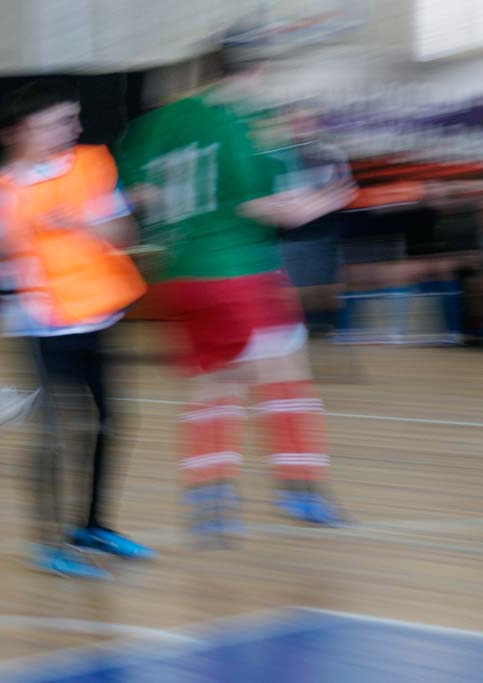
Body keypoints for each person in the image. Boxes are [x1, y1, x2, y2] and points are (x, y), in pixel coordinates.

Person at [117, 40, 354, 540]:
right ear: (259, 69)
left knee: (214, 382)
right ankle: (301, 489)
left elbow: (138, 192)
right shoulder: (245, 119)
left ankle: (209, 498)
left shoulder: (159, 121)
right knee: (285, 375)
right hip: (238, 271)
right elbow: (272, 208)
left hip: (178, 275)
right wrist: (332, 198)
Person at [0, 80, 153, 578]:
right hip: (40, 325)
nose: (74, 128)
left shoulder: (92, 164)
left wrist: (84, 224)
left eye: (73, 118)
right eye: (60, 122)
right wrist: (0, 246)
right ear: (23, 131)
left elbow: (125, 231)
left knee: (111, 422)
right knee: (55, 432)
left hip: (98, 314)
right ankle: (47, 545)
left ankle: (92, 526)